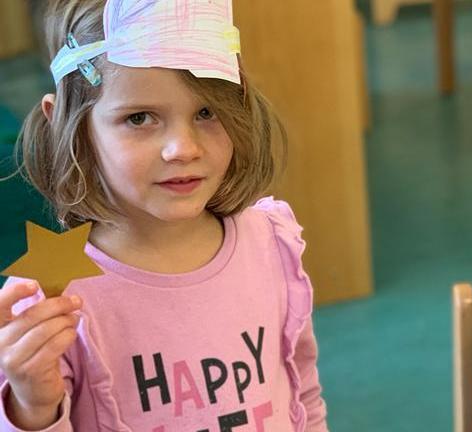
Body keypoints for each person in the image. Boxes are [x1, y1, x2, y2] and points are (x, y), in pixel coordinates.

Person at [0, 0, 328, 430]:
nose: (183, 148)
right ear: (69, 127)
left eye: (206, 113)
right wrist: (32, 405)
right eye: (139, 118)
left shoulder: (270, 241)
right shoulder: (48, 299)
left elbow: (302, 394)